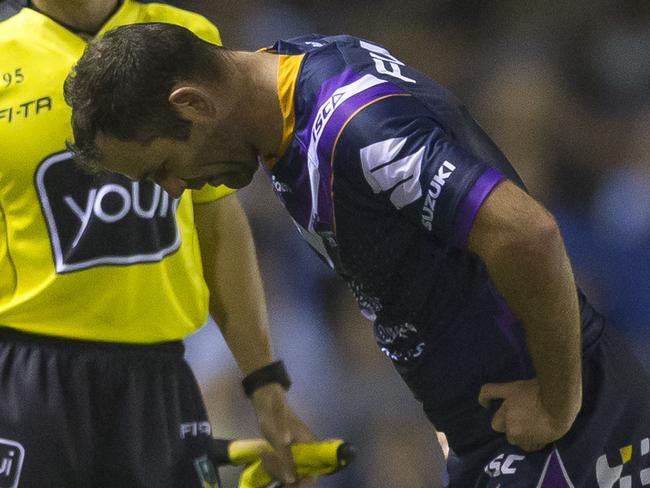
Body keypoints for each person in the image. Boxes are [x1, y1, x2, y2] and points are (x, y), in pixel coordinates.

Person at [63, 23, 650, 487]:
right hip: (493, 432)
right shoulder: (291, 75)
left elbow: (529, 235)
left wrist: (557, 401)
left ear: (191, 104)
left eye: (162, 168)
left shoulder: (356, 130)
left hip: (561, 435)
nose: (170, 190)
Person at [0, 2, 314, 487]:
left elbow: (217, 220)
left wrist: (264, 383)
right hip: (25, 378)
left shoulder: (185, 33)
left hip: (160, 380)